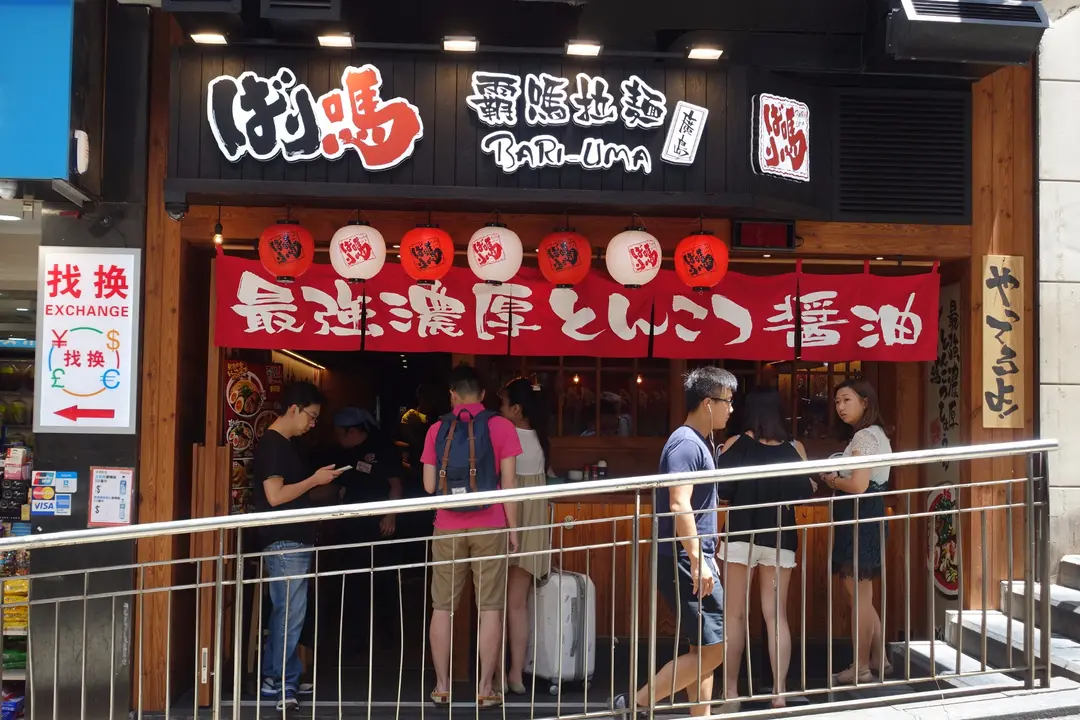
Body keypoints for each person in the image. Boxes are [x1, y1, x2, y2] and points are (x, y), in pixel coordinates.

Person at [613, 366, 736, 718]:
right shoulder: (686, 443)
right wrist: (698, 560)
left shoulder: (698, 441)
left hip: (691, 555)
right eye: (727, 401)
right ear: (707, 403)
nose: (731, 409)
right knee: (714, 650)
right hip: (687, 557)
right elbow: (679, 503)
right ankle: (634, 704)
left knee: (704, 648)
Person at [422, 364, 522, 709]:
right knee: (490, 607)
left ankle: (442, 686)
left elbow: (429, 486)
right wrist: (513, 529)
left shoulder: (436, 429)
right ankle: (485, 688)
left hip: (447, 526)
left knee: (442, 607)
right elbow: (509, 485)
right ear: (482, 394)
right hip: (490, 523)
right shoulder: (502, 426)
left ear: (452, 394)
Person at [715, 388, 817, 709]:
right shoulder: (794, 448)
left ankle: (731, 693)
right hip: (780, 538)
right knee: (776, 616)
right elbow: (806, 490)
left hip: (740, 536)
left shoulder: (735, 444)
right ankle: (779, 693)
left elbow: (722, 491)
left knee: (734, 615)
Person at [252, 381, 344, 711]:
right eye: (312, 416)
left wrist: (318, 484)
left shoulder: (284, 444)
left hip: (290, 540)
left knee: (288, 612)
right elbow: (275, 496)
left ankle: (277, 676)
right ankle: (281, 681)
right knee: (289, 614)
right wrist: (314, 480)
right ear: (294, 409)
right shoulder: (274, 445)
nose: (313, 424)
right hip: (284, 541)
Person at [821, 379, 892, 684]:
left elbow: (859, 485)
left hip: (860, 515)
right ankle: (879, 659)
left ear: (865, 401)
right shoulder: (876, 434)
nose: (840, 407)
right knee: (863, 595)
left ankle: (861, 667)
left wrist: (832, 480)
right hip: (867, 515)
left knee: (858, 596)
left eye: (846, 400)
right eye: (837, 401)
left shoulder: (864, 436)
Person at [320, 407, 404, 650]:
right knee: (354, 580)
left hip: (379, 524)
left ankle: (388, 637)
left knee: (384, 579)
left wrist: (391, 515)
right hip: (351, 525)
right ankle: (356, 638)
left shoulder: (382, 448)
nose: (337, 438)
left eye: (339, 433)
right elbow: (340, 486)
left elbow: (396, 485)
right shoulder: (343, 453)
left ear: (351, 431)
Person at [498, 377, 553, 694]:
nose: (499, 409)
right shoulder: (541, 440)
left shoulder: (504, 436)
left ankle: (493, 676)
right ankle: (515, 675)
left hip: (504, 522)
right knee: (518, 604)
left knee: (494, 604)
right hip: (533, 526)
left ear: (516, 409)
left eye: (503, 404)